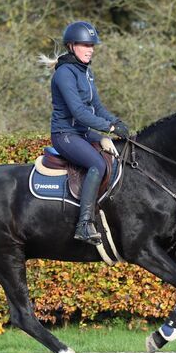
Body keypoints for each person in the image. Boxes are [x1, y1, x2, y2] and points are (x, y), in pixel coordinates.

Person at [49, 21, 130, 245]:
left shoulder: (86, 72)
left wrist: (116, 122)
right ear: (71, 46)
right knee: (98, 164)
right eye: (85, 44)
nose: (90, 49)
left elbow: (97, 107)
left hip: (82, 133)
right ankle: (84, 224)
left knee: (118, 153)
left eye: (92, 45)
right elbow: (79, 111)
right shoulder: (64, 74)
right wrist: (108, 128)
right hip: (65, 134)